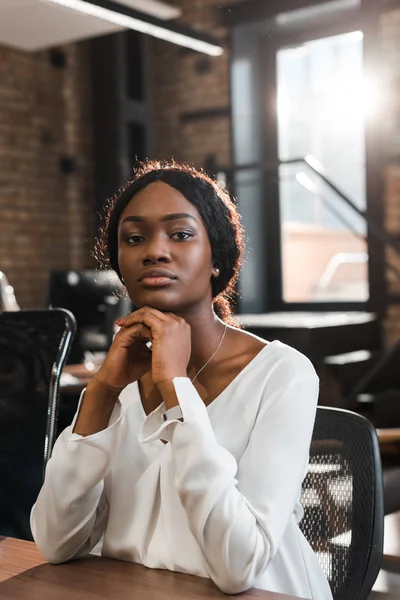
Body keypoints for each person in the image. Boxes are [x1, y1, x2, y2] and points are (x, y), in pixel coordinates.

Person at [30, 161, 333, 599]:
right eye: (134, 239)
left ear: (217, 256)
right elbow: (56, 544)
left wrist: (176, 388)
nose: (155, 250)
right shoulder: (121, 376)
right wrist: (101, 393)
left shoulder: (283, 373)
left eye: (181, 234)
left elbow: (239, 566)